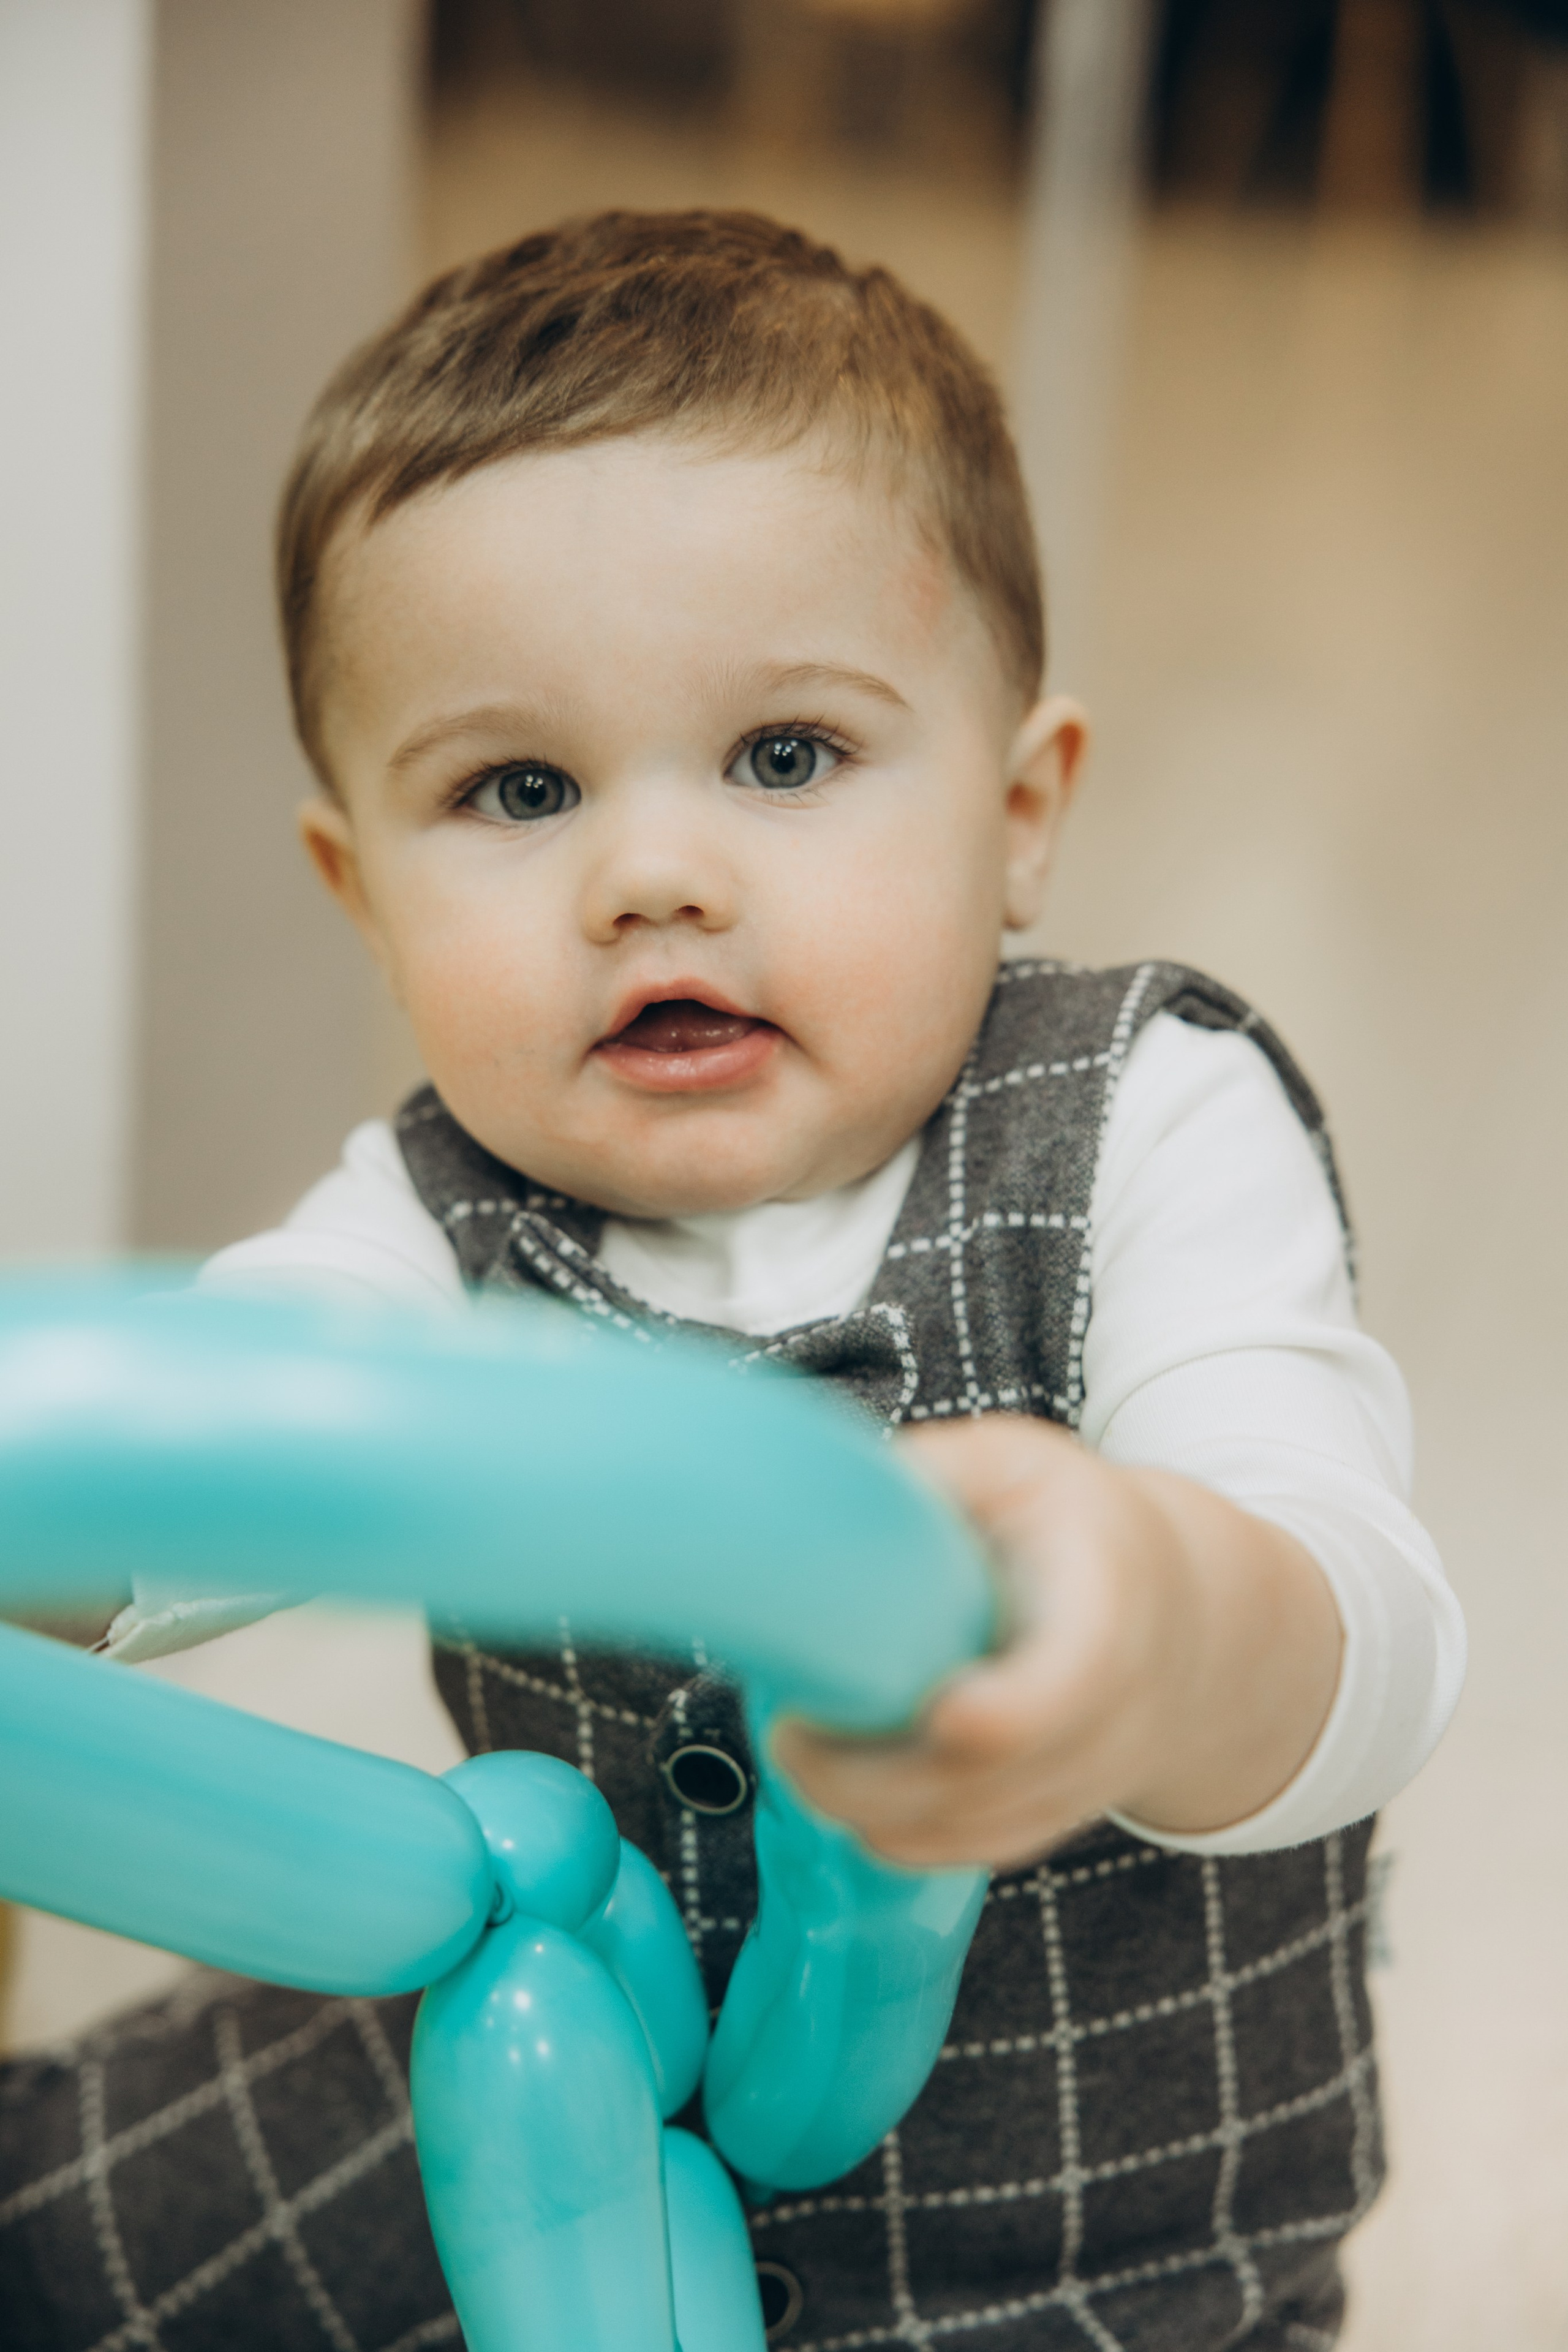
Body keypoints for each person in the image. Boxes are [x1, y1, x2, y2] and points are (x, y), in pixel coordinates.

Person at [0, 209, 1463, 2352]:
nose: (656, 874)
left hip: (1090, 2251)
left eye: (787, 758)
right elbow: (209, 1471)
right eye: (516, 789)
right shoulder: (422, 1218)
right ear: (359, 888)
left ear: (1021, 807)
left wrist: (1158, 1621)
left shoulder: (1150, 1116)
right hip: (536, 2091)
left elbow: (1375, 1622)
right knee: (69, 2228)